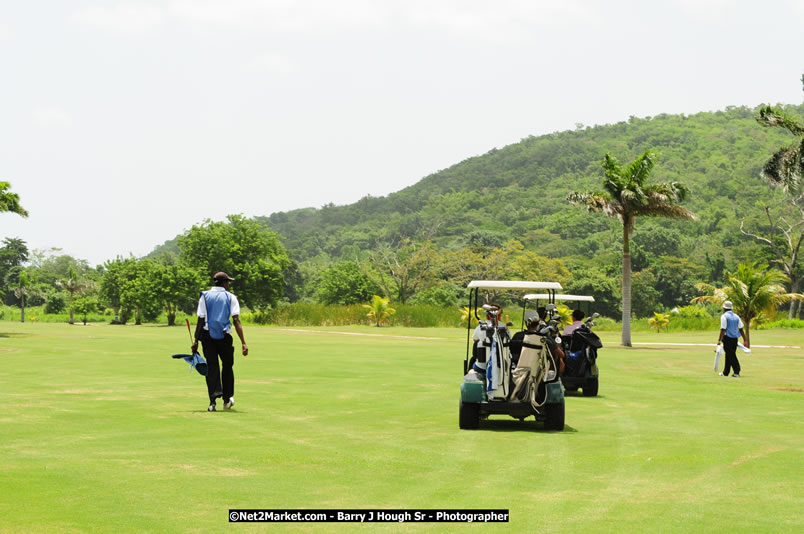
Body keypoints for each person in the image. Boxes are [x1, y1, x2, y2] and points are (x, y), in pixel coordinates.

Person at [191, 272, 248, 411]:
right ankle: (227, 400)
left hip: (207, 337)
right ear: (224, 283)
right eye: (228, 282)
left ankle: (212, 402)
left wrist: (196, 340)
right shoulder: (231, 297)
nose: (229, 285)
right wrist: (243, 342)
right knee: (227, 367)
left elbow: (200, 320)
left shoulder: (204, 296)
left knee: (212, 368)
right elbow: (236, 320)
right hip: (224, 337)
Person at [717, 300, 748, 378]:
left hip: (727, 338)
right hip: (735, 339)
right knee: (729, 355)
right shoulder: (736, 316)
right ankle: (725, 372)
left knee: (731, 355)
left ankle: (736, 372)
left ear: (724, 308)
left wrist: (719, 340)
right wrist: (745, 340)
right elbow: (741, 328)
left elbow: (723, 329)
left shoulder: (724, 316)